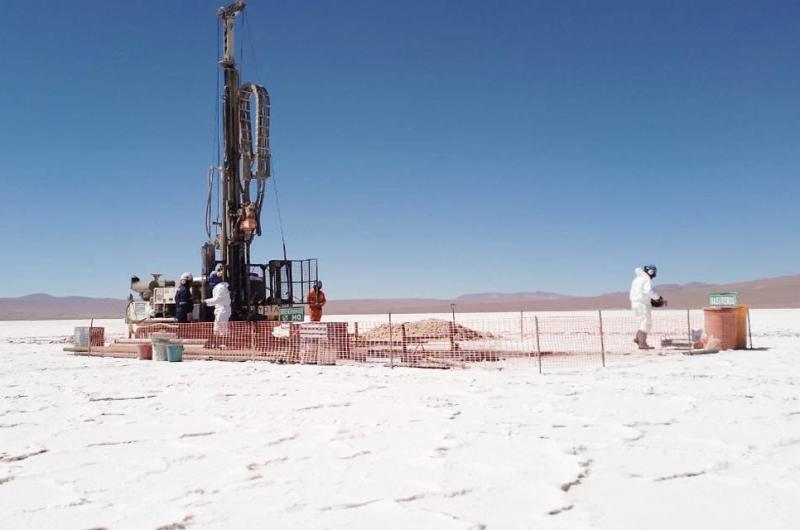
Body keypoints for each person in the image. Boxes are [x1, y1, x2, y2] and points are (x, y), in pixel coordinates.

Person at [629, 265, 666, 349]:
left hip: (635, 304)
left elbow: (640, 292)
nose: (654, 274)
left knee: (642, 322)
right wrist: (657, 298)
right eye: (654, 272)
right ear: (651, 272)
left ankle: (638, 339)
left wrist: (650, 299)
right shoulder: (646, 279)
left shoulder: (636, 279)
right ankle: (642, 343)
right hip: (642, 304)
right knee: (646, 323)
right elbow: (648, 290)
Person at [204, 266, 231, 333]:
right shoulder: (217, 287)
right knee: (217, 330)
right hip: (219, 310)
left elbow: (217, 299)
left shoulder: (221, 287)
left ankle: (224, 343)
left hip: (222, 310)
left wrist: (206, 302)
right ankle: (219, 342)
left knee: (222, 331)